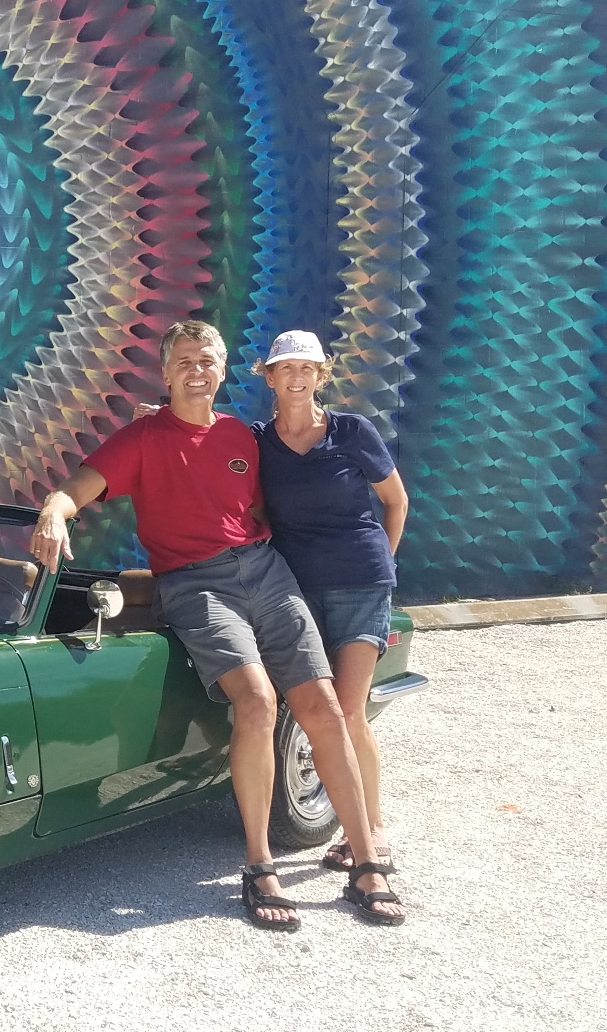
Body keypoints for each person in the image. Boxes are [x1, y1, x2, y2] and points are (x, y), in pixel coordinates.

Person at [29, 319, 403, 930]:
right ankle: (259, 865)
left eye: (207, 360)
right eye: (184, 361)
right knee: (257, 701)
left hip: (266, 570)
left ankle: (367, 860)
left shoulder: (240, 437)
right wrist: (53, 512)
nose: (197, 370)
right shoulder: (142, 437)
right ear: (164, 371)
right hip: (195, 583)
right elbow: (78, 486)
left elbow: (263, 504)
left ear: (224, 369)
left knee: (325, 706)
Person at [251, 329, 409, 875]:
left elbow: (395, 501)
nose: (297, 377)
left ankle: (371, 830)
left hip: (361, 584)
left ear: (322, 375)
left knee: (347, 710)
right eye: (286, 368)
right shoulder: (257, 441)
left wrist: (381, 564)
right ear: (270, 377)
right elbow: (203, 438)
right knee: (311, 710)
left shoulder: (352, 431)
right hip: (294, 589)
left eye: (307, 368)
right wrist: (162, 416)